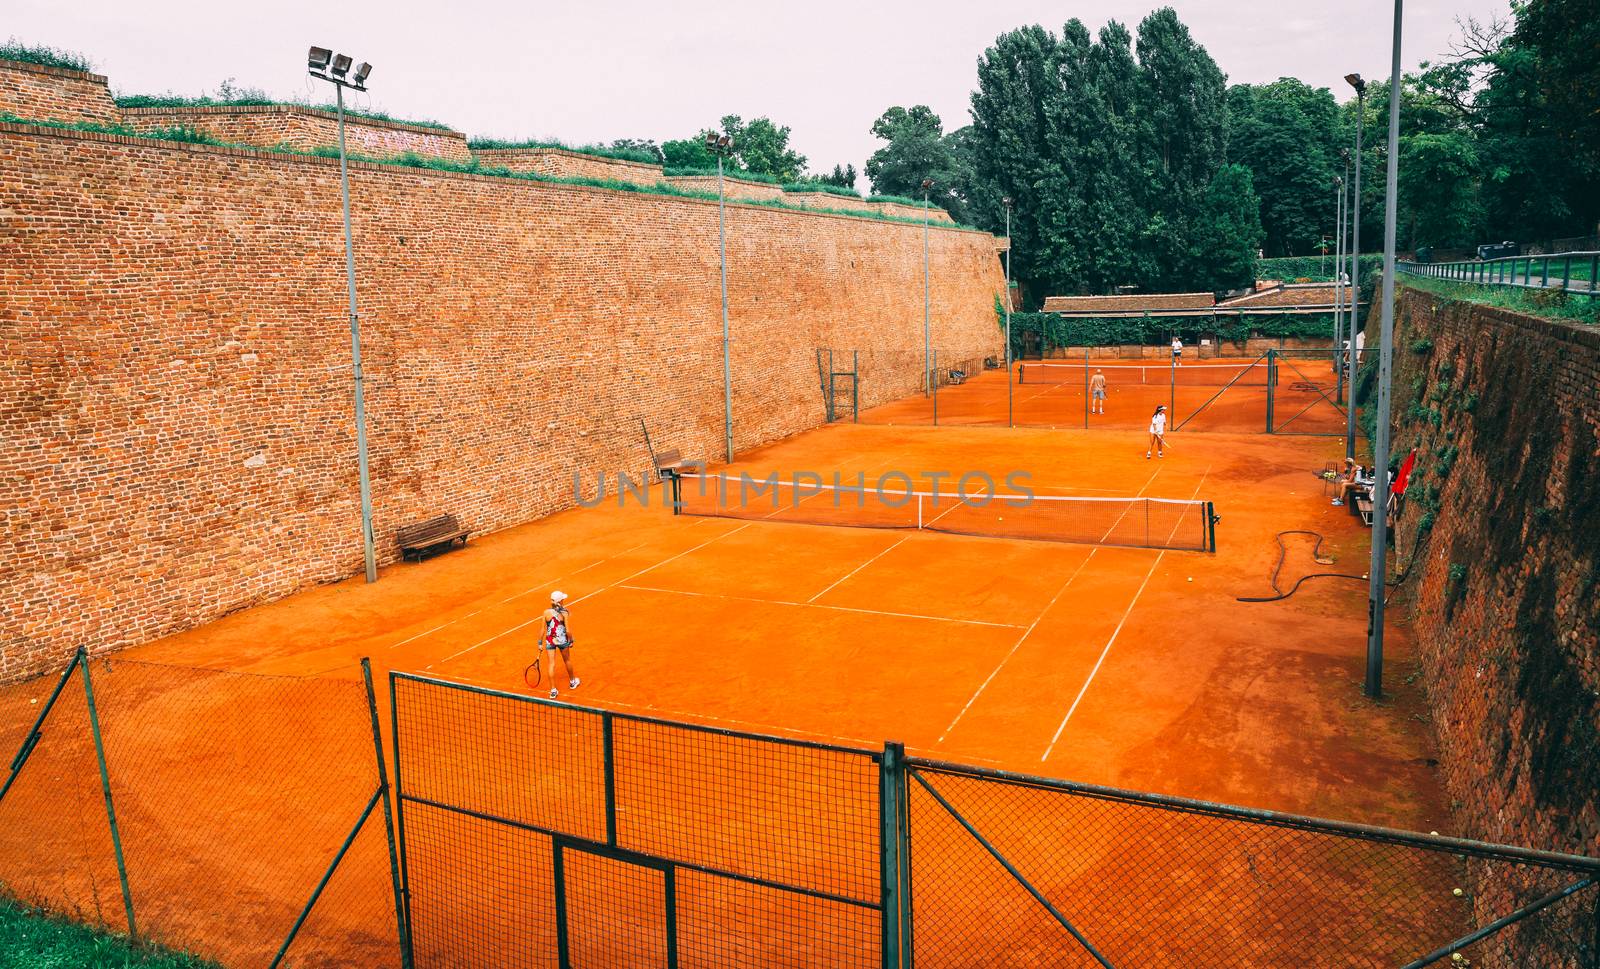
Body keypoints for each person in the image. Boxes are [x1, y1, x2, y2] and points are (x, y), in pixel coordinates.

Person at [541, 590, 580, 700]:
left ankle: (553, 690)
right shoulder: (564, 613)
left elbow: (542, 630)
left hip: (550, 641)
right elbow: (567, 630)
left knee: (551, 664)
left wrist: (540, 643)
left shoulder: (545, 613)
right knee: (567, 660)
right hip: (562, 641)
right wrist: (571, 640)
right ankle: (573, 682)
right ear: (561, 601)